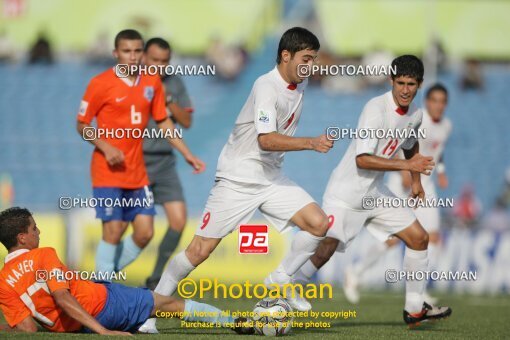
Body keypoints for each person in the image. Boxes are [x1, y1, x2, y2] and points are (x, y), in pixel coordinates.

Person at [139, 27, 333, 333]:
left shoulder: (300, 82)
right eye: (306, 58)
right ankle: (150, 310)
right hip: (238, 177)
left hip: (270, 178)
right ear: (286, 55)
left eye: (313, 59)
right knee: (198, 251)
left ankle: (280, 279)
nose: (310, 65)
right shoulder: (266, 86)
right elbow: (267, 140)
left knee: (319, 223)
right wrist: (311, 143)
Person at [293, 55, 452, 327]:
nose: (404, 89)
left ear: (419, 85)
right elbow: (362, 159)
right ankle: (290, 287)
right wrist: (407, 165)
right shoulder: (375, 109)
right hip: (346, 191)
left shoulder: (416, 114)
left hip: (375, 192)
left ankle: (414, 309)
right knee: (326, 248)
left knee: (419, 238)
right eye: (400, 82)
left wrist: (415, 181)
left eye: (410, 84)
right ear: (391, 80)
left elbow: (411, 144)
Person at [0, 207, 253, 335]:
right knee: (169, 304)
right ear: (22, 237)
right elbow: (63, 297)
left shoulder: (3, 281)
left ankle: (142, 320)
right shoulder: (42, 255)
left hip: (85, 314)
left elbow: (28, 329)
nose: (39, 232)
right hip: (103, 306)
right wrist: (104, 332)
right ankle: (241, 324)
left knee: (105, 279)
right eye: (34, 229)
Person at [76, 29, 205, 276]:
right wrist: (105, 146)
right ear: (116, 53)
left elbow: (164, 121)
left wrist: (187, 154)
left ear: (141, 53)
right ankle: (104, 292)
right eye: (127, 51)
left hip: (137, 173)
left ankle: (100, 280)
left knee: (145, 232)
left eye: (136, 51)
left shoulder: (151, 82)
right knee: (113, 230)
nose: (132, 56)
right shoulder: (100, 83)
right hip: (108, 171)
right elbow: (81, 124)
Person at [342, 83, 452, 305]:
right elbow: (400, 145)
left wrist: (440, 171)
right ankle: (356, 271)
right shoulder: (419, 121)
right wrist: (405, 170)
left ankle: (418, 292)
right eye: (434, 101)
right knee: (394, 238)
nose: (438, 106)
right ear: (427, 101)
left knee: (432, 237)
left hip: (425, 185)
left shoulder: (446, 126)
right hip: (403, 181)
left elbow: (438, 152)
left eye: (442, 102)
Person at [142, 38, 194, 290]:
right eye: (154, 60)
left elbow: (186, 121)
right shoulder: (132, 81)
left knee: (178, 220)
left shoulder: (174, 82)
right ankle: (106, 279)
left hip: (165, 162)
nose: (159, 66)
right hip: (136, 163)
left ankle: (155, 278)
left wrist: (169, 99)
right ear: (143, 58)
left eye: (165, 61)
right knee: (141, 231)